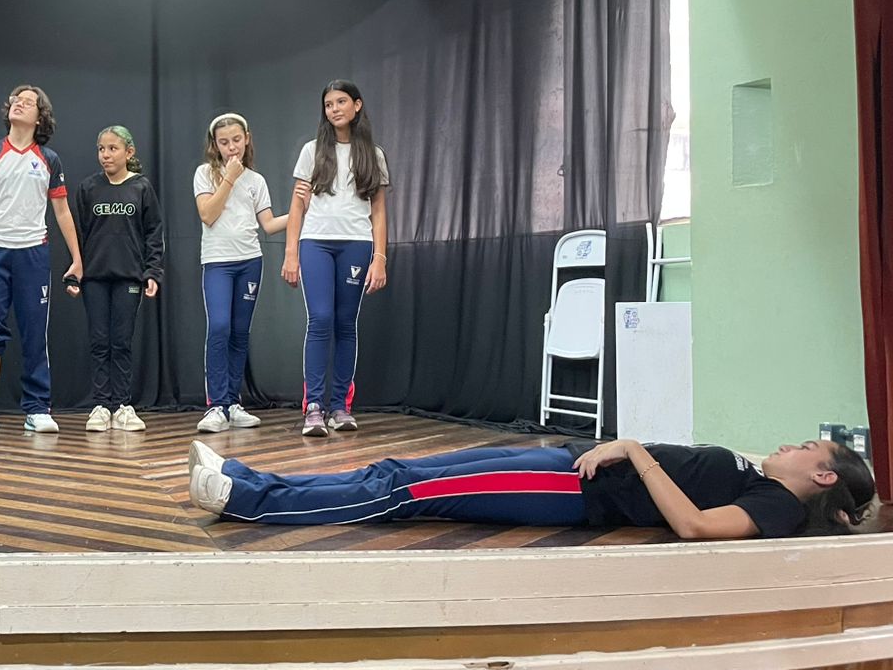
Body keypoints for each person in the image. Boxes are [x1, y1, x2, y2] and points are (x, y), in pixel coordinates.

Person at [185, 436, 877, 539]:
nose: (791, 444)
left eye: (808, 447)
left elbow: (694, 526)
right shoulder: (766, 479)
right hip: (567, 460)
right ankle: (249, 480)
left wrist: (633, 450)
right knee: (399, 472)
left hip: (576, 491)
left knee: (404, 491)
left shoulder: (778, 507)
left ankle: (244, 502)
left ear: (822, 475)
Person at [0, 85, 83, 434]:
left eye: (29, 102)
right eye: (16, 100)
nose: (20, 104)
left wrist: (77, 258)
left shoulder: (49, 159)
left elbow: (62, 211)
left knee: (34, 331)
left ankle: (37, 408)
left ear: (40, 117)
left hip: (33, 253)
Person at [282, 80, 390, 438]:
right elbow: (297, 207)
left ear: (357, 105)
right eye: (328, 104)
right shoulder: (312, 151)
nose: (334, 109)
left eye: (341, 102)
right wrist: (291, 253)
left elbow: (378, 212)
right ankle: (314, 406)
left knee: (346, 322)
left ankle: (340, 406)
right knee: (321, 319)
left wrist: (379, 258)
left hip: (356, 245)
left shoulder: (373, 155)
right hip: (316, 243)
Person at [192, 113, 288, 433]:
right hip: (218, 261)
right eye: (224, 142)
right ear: (215, 145)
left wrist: (302, 211)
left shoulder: (256, 181)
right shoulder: (205, 174)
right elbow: (208, 214)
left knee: (240, 331)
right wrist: (229, 178)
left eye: (236, 140)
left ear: (247, 139)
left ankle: (233, 404)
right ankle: (216, 405)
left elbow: (269, 224)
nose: (231, 147)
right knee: (219, 327)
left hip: (250, 262)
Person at [72, 126, 164, 432]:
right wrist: (75, 274)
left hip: (129, 277)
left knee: (122, 341)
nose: (106, 155)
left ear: (129, 152)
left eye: (113, 148)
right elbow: (79, 234)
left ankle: (123, 406)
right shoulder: (88, 188)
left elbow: (153, 233)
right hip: (95, 278)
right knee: (99, 341)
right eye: (101, 149)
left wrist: (152, 272)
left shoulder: (141, 187)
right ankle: (101, 405)